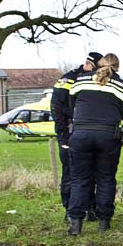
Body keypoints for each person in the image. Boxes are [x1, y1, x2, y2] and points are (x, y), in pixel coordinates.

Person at [66, 53, 123, 235]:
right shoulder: (121, 85)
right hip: (107, 136)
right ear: (117, 67)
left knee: (79, 179)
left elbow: (71, 103)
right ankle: (104, 222)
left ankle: (75, 223)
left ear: (99, 64)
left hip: (81, 134)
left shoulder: (80, 80)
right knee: (105, 178)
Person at [51, 52, 103, 221]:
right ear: (90, 64)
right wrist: (63, 133)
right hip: (68, 131)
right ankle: (69, 210)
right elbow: (56, 106)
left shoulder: (94, 79)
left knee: (91, 172)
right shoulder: (68, 79)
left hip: (86, 132)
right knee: (70, 172)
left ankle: (89, 209)